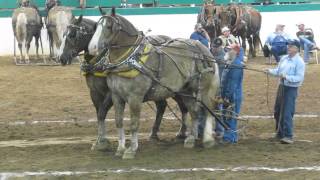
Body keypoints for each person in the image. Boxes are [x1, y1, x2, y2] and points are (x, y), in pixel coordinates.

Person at [266, 42, 305, 144]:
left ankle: (288, 135)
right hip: (281, 86)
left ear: (296, 49)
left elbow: (299, 78)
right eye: (289, 46)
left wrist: (287, 77)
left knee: (287, 112)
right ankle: (280, 133)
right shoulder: (284, 58)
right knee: (277, 110)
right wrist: (269, 71)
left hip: (291, 89)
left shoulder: (299, 62)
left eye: (291, 47)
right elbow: (278, 71)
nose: (288, 48)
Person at [220, 44, 244, 143]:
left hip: (232, 96)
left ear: (236, 52)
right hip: (228, 94)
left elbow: (232, 84)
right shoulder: (230, 62)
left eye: (230, 50)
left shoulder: (236, 65)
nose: (227, 51)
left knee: (231, 117)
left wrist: (227, 97)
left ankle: (230, 138)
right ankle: (228, 136)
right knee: (226, 116)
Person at [190, 23, 210, 138]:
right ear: (195, 28)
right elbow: (195, 46)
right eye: (200, 28)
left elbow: (208, 40)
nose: (201, 29)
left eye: (202, 28)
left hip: (205, 56)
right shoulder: (194, 35)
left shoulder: (202, 35)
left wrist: (205, 33)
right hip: (199, 58)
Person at [210, 37, 226, 139]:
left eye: (217, 47)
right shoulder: (211, 55)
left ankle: (220, 130)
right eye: (214, 47)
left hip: (218, 88)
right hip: (212, 86)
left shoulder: (221, 58)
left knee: (217, 109)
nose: (215, 49)